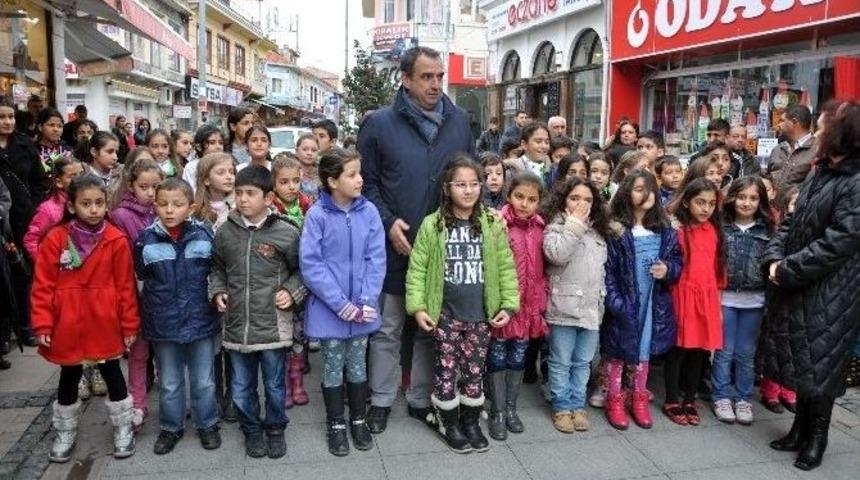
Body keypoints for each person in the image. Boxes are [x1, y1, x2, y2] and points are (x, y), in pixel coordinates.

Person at [359, 46, 475, 434]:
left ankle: (420, 398)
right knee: (389, 328)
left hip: (442, 246)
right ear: (406, 79)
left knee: (430, 328)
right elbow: (367, 185)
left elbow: (468, 179)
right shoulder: (379, 124)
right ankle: (380, 399)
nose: (435, 84)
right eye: (426, 77)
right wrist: (389, 222)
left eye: (439, 76)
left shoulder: (459, 121)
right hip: (396, 245)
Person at [761, 101, 860, 471]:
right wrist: (773, 258)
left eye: (821, 128)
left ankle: (817, 437)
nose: (816, 134)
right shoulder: (821, 173)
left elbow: (838, 242)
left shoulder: (855, 181)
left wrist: (787, 269)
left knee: (822, 365)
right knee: (806, 360)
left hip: (834, 290)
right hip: (802, 283)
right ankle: (799, 429)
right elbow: (791, 220)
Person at [405, 157, 519, 453]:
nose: (468, 191)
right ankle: (449, 422)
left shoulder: (492, 222)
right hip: (445, 315)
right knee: (445, 369)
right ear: (447, 188)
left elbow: (506, 267)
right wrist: (418, 307)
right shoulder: (434, 224)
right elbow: (417, 269)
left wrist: (508, 304)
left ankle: (470, 421)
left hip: (481, 317)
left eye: (473, 184)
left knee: (473, 370)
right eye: (460, 185)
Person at [31, 174, 139, 462]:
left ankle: (122, 427)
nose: (93, 209)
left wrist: (129, 324)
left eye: (99, 203)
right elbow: (42, 285)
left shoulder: (116, 239)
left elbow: (126, 287)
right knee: (69, 376)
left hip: (104, 321)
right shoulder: (56, 239)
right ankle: (65, 431)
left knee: (113, 374)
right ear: (72, 207)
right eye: (86, 203)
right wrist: (42, 322)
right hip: (68, 322)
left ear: (107, 205)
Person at [208, 165, 306, 459]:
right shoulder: (224, 232)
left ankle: (275, 429)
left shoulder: (286, 232)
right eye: (238, 193)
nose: (243, 199)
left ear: (268, 197)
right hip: (237, 327)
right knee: (241, 387)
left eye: (250, 193)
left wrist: (291, 291)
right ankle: (251, 430)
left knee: (275, 386)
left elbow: (302, 271)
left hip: (273, 326)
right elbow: (217, 268)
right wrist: (218, 291)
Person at [300, 148, 385, 456]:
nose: (359, 179)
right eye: (352, 174)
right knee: (333, 365)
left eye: (359, 172)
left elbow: (376, 258)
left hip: (362, 309)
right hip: (330, 310)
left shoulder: (370, 212)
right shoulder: (317, 215)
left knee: (358, 364)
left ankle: (358, 419)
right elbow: (311, 263)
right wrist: (339, 303)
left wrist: (366, 298)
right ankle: (336, 423)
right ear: (332, 181)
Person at [134, 177, 221, 455]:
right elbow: (141, 276)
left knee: (204, 379)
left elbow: (215, 271)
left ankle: (207, 423)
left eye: (177, 205)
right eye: (163, 204)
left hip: (200, 318)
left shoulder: (204, 235)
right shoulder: (145, 240)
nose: (169, 210)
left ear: (191, 207)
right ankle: (171, 427)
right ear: (154, 206)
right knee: (170, 381)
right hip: (163, 322)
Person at [602, 171, 682, 430]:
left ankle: (638, 397)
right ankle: (614, 399)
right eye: (638, 188)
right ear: (626, 193)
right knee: (618, 350)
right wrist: (615, 302)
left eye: (650, 189)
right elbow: (609, 271)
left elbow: (678, 262)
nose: (646, 194)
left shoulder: (665, 229)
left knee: (644, 350)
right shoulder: (616, 230)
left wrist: (667, 270)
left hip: (652, 302)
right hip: (625, 302)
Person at [542, 176, 610, 433]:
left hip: (592, 310)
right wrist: (574, 224)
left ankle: (577, 403)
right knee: (560, 360)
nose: (582, 204)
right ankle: (561, 406)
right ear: (562, 200)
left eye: (588, 200)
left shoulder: (598, 230)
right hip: (563, 308)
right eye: (575, 198)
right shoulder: (556, 227)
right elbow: (556, 254)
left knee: (584, 362)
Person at [488, 172, 547, 440]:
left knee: (518, 357)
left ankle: (511, 408)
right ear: (509, 196)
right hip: (504, 306)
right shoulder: (498, 224)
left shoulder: (541, 228)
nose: (524, 203)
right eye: (519, 197)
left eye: (532, 199)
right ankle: (498, 411)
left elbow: (542, 270)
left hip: (528, 307)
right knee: (497, 357)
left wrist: (540, 302)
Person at [711, 176, 774, 426]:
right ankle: (721, 395)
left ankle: (743, 397)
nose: (746, 203)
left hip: (755, 300)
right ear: (732, 198)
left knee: (747, 353)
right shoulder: (721, 226)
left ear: (761, 201)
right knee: (724, 351)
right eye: (742, 197)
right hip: (726, 297)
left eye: (753, 198)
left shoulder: (767, 229)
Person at [663, 178, 725, 426]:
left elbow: (719, 270)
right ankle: (671, 398)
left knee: (700, 351)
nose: (705, 208)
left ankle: (689, 397)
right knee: (678, 350)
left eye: (710, 203)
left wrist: (718, 304)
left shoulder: (714, 230)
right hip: (682, 295)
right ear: (687, 202)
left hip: (707, 296)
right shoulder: (678, 231)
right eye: (700, 202)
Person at [110, 157, 163, 429]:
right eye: (145, 187)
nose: (151, 193)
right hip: (135, 292)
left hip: (164, 293)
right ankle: (137, 404)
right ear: (132, 186)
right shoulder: (121, 215)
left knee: (166, 351)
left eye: (156, 186)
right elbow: (119, 257)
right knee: (139, 353)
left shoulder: (165, 210)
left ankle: (171, 400)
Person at [0, 98, 49, 347]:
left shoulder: (25, 145)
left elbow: (40, 180)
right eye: (2, 117)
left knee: (23, 274)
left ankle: (25, 326)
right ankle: (4, 332)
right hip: (1, 221)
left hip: (22, 217)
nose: (7, 122)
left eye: (10, 117)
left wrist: (35, 206)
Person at [192, 152, 236, 422]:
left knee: (231, 344)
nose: (229, 176)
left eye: (231, 171)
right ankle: (214, 396)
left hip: (233, 283)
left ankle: (233, 396)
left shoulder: (240, 206)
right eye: (221, 172)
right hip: (203, 286)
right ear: (206, 180)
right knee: (212, 346)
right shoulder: (196, 212)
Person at [23, 157, 84, 260]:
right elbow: (31, 240)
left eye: (82, 174)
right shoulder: (48, 210)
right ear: (59, 182)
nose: (80, 180)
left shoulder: (88, 203)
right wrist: (44, 264)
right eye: (72, 176)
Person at [768, 105, 815, 191]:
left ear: (794, 122)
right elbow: (769, 176)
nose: (779, 125)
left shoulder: (816, 150)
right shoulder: (778, 149)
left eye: (783, 121)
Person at [183, 125, 225, 192]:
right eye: (212, 143)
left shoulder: (227, 165)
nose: (218, 146)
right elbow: (190, 192)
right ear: (199, 147)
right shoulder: (192, 167)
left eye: (221, 143)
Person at [79, 131, 122, 196]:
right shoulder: (81, 176)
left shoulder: (122, 174)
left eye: (116, 152)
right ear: (94, 152)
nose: (115, 157)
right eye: (110, 152)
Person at [36, 108, 72, 173]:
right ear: (40, 127)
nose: (56, 129)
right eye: (51, 125)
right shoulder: (33, 151)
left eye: (59, 126)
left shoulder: (68, 150)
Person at [295, 133, 321, 200]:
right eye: (305, 149)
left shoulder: (321, 174)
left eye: (314, 150)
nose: (309, 153)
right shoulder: (290, 171)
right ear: (297, 151)